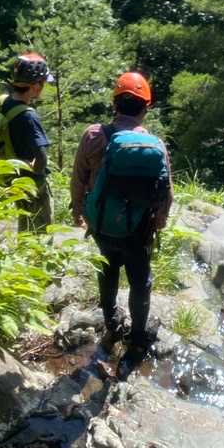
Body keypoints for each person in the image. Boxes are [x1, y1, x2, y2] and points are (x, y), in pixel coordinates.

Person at [71, 72, 173, 356]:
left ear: (114, 104)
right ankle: (138, 337)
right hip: (139, 228)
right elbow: (167, 192)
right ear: (146, 108)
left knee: (107, 269)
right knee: (140, 281)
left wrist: (78, 211)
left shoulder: (93, 135)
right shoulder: (154, 144)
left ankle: (112, 324)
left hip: (102, 224)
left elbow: (78, 178)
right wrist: (159, 222)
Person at [0, 52, 54, 232]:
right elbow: (41, 158)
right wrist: (36, 173)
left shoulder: (3, 103)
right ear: (36, 85)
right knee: (39, 232)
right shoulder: (28, 116)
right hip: (30, 183)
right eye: (43, 83)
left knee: (25, 228)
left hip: (10, 178)